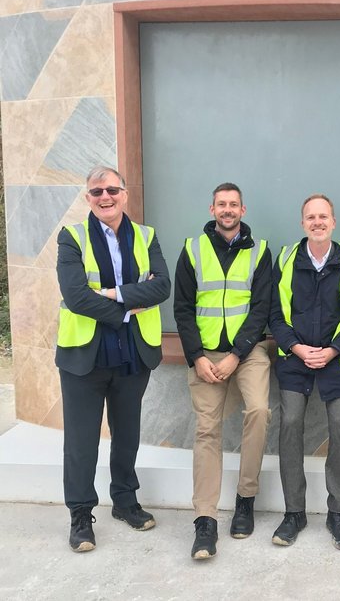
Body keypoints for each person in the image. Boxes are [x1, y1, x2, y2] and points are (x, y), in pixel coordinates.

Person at [56, 165, 171, 553]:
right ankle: (80, 515)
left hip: (131, 353)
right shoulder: (71, 237)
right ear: (87, 197)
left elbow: (162, 287)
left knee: (127, 435)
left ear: (124, 194)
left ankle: (124, 501)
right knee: (81, 441)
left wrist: (111, 293)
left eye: (111, 190)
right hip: (84, 355)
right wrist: (125, 307)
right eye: (96, 192)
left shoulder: (146, 235)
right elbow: (75, 296)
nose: (105, 197)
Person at [173, 183, 272, 560]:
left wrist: (236, 355)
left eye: (234, 205)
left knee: (260, 411)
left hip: (248, 352)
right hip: (204, 354)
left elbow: (262, 308)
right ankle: (205, 520)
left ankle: (246, 498)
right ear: (212, 208)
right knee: (207, 429)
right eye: (221, 205)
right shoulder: (192, 249)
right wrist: (197, 356)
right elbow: (182, 308)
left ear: (243, 210)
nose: (227, 210)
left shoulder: (260, 252)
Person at [269, 194, 340, 550]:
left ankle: (337, 513)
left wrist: (332, 350)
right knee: (291, 422)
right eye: (310, 217)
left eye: (323, 216)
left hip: (338, 360)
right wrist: (297, 348)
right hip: (295, 358)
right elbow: (274, 315)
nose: (317, 222)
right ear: (302, 224)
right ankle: (294, 512)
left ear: (333, 221)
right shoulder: (285, 259)